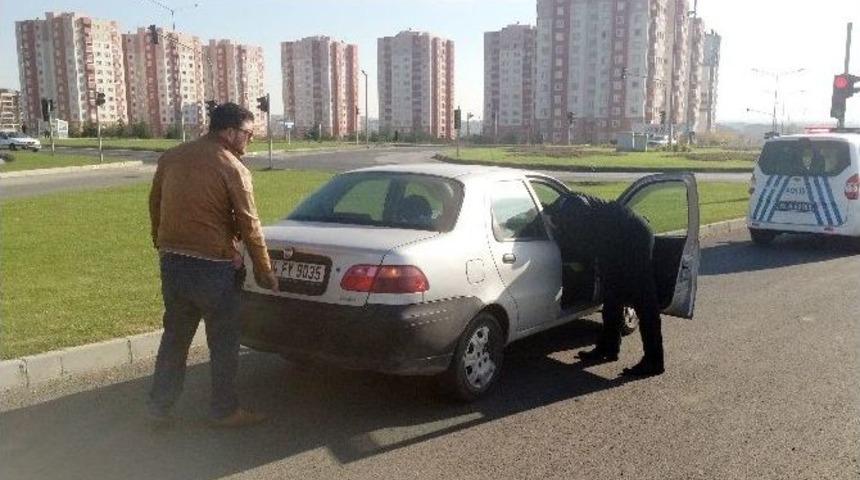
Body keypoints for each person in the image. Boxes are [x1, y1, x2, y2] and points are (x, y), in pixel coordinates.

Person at [148, 102, 278, 427]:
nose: (250, 140)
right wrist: (264, 270)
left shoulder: (172, 157)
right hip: (213, 268)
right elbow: (250, 224)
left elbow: (155, 203)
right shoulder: (233, 167)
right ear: (230, 132)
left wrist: (160, 242)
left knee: (175, 338)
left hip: (173, 262)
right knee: (223, 342)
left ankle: (159, 408)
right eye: (248, 133)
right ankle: (224, 411)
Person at [545, 191, 665, 377]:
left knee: (643, 300)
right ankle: (608, 348)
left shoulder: (573, 209)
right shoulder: (564, 205)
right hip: (614, 240)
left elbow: (583, 242)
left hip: (634, 238)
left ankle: (654, 361)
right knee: (612, 297)